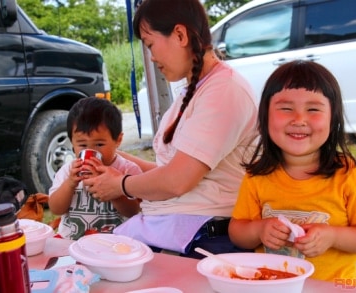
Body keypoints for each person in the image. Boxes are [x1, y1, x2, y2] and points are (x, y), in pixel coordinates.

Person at [83, 0, 258, 258]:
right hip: (173, 227)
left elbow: (177, 180)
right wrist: (115, 161)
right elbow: (170, 172)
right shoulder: (194, 90)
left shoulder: (224, 90)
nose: (152, 57)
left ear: (180, 34)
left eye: (151, 44)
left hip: (201, 236)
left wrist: (121, 184)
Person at [228, 60, 356, 282]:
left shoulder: (349, 176)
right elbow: (237, 232)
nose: (299, 120)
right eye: (286, 108)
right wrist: (259, 230)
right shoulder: (257, 176)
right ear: (265, 117)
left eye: (313, 109)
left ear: (333, 117)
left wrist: (333, 236)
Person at [48, 97, 142, 240]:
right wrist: (70, 183)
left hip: (115, 246)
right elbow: (56, 209)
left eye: (99, 144)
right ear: (72, 142)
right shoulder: (68, 171)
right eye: (82, 145)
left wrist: (115, 189)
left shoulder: (127, 170)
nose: (90, 150)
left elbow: (134, 212)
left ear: (118, 140)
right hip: (72, 244)